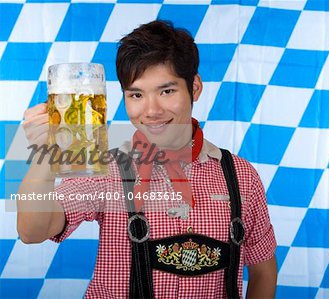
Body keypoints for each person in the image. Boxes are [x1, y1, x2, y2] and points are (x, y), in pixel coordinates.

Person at [17, 20, 277, 298]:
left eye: (167, 91)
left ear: (195, 88)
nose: (152, 110)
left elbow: (263, 271)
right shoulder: (108, 167)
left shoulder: (240, 176)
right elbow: (32, 231)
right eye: (137, 94)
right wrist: (45, 159)